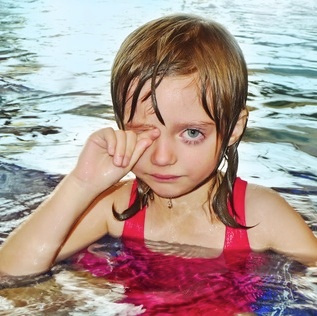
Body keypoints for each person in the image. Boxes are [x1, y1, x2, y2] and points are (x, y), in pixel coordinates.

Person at [0, 14, 316, 277]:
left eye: (192, 133)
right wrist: (81, 183)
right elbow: (11, 272)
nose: (162, 157)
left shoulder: (264, 215)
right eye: (143, 132)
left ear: (233, 129)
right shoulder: (117, 207)